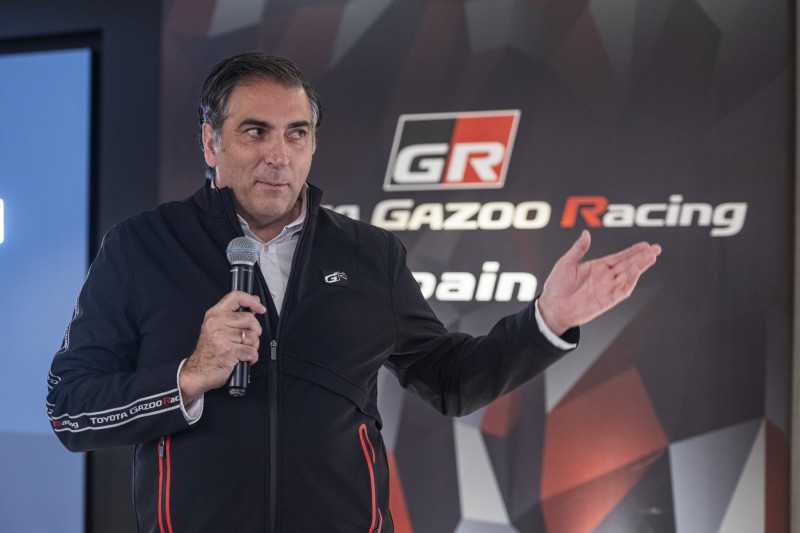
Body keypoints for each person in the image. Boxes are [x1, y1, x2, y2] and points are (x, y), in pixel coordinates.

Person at [46, 53, 661, 533]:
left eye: (297, 133)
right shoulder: (142, 247)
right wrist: (189, 375)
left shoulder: (369, 254)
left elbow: (451, 380)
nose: (278, 156)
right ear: (211, 142)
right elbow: (70, 409)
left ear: (313, 144)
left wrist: (548, 320)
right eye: (255, 132)